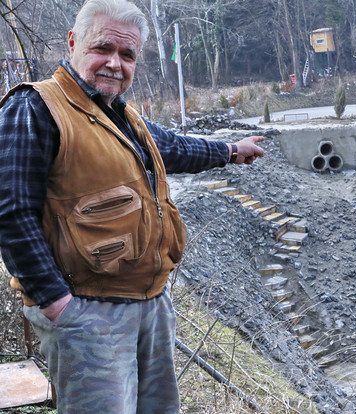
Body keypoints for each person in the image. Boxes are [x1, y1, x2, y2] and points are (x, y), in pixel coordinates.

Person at [0, 0, 264, 412]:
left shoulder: (121, 115)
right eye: (103, 48)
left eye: (127, 55)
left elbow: (173, 147)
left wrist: (231, 150)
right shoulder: (35, 107)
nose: (114, 64)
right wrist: (59, 305)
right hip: (87, 310)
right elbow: (11, 213)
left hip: (149, 304)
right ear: (72, 42)